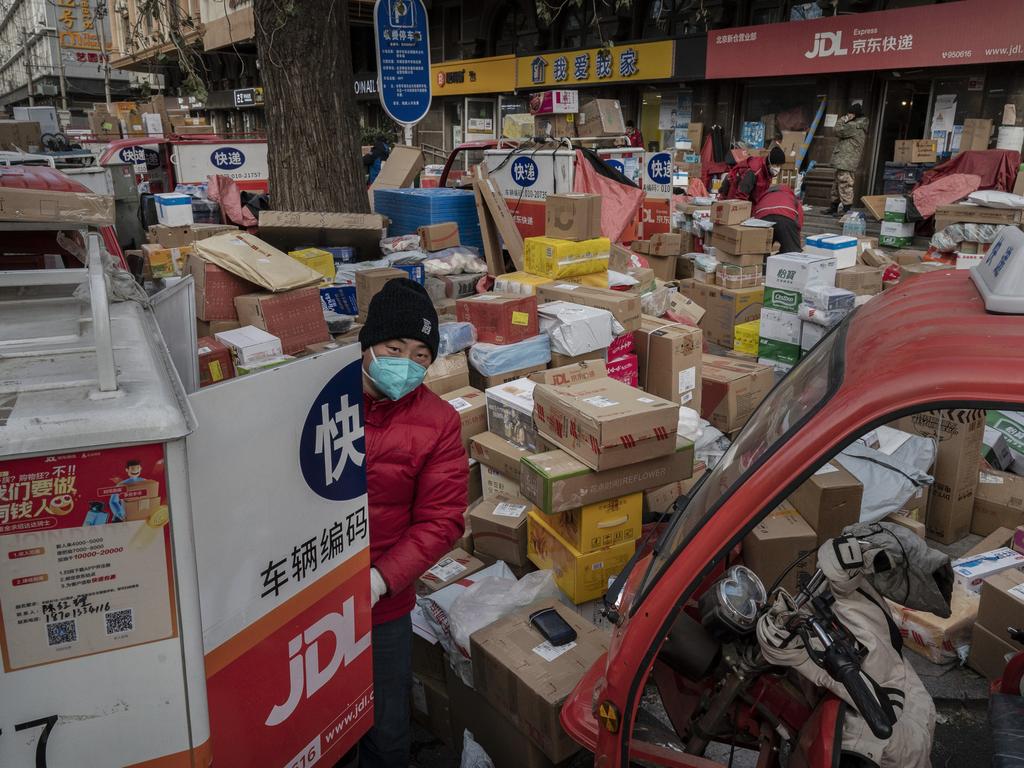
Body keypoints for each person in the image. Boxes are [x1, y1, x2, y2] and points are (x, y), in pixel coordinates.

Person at [356, 279, 468, 768]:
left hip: (384, 601)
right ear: (368, 345)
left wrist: (381, 580)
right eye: (394, 347)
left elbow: (441, 520)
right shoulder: (322, 401)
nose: (406, 362)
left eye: (421, 354)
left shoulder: (438, 421)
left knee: (387, 727)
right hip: (310, 600)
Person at [720, 146, 804, 254]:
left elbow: (759, 196)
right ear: (769, 162)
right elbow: (741, 195)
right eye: (776, 165)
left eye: (779, 166)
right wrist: (742, 217)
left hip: (751, 202)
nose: (777, 168)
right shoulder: (755, 170)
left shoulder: (767, 173)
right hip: (735, 198)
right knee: (736, 229)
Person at [829, 103, 869, 216]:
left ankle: (846, 210)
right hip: (843, 160)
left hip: (847, 161)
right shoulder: (855, 125)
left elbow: (837, 130)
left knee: (845, 184)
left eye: (849, 113)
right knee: (837, 184)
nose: (847, 115)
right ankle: (833, 207)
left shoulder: (855, 126)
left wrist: (843, 118)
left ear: (854, 114)